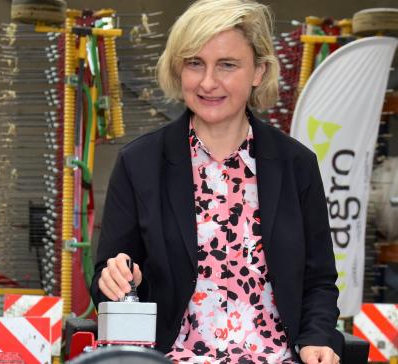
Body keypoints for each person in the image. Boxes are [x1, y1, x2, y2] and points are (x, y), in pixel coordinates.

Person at [90, 1, 343, 363]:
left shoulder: (296, 164)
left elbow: (318, 279)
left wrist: (318, 338)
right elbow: (105, 281)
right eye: (195, 63)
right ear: (179, 70)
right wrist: (116, 277)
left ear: (259, 71)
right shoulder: (139, 163)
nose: (208, 82)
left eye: (227, 65)